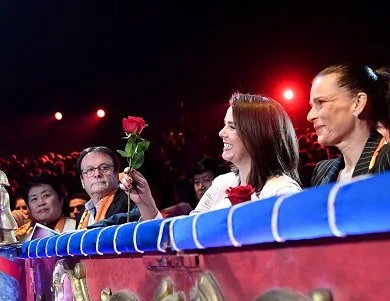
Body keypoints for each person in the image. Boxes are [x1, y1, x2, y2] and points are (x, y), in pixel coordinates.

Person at [127, 93, 302, 218]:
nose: (221, 133)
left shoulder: (283, 191)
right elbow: (184, 237)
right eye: (224, 125)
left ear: (258, 135)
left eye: (232, 127)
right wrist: (146, 202)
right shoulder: (221, 184)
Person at [307, 64, 390, 185]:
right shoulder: (322, 171)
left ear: (358, 103)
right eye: (312, 106)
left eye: (321, 102)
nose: (309, 116)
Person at [76, 146, 161, 229]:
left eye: (104, 168)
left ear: (116, 173)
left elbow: (149, 223)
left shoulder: (131, 197)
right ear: (82, 181)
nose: (97, 174)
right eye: (89, 170)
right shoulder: (82, 215)